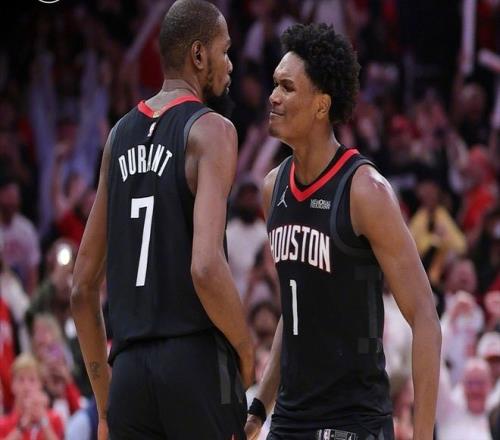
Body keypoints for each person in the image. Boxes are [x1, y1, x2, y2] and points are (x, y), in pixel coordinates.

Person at [245, 23, 441, 440]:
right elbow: (295, 311)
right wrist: (260, 406)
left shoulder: (365, 191)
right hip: (290, 419)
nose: (273, 96)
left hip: (353, 421)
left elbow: (425, 314)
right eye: (274, 84)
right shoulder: (272, 188)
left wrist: (423, 434)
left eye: (287, 87)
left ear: (321, 105)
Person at [71, 1, 254, 439]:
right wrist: (246, 348)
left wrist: (105, 406)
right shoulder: (213, 130)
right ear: (198, 55)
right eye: (225, 50)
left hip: (129, 373)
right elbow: (205, 267)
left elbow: (81, 288)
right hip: (194, 364)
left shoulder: (118, 136)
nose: (230, 63)